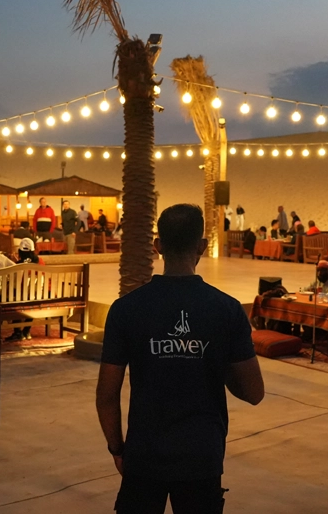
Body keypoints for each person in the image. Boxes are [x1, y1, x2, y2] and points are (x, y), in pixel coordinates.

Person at [98, 204, 263, 513]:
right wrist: (214, 355)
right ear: (201, 246)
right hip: (201, 455)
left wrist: (118, 448)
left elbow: (107, 396)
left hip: (144, 454)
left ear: (158, 247)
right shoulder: (226, 310)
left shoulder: (125, 309)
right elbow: (254, 393)